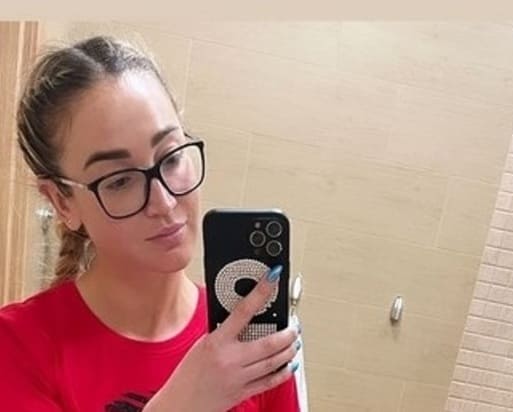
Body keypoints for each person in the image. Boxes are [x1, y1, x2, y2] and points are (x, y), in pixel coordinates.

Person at [0, 34, 301, 412]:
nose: (164, 202)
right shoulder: (16, 349)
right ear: (62, 202)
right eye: (120, 181)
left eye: (171, 158)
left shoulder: (246, 336)